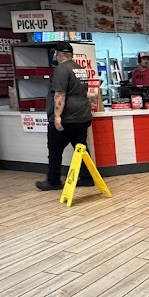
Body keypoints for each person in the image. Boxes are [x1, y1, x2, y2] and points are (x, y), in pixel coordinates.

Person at [36, 42, 93, 191]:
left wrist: (57, 116)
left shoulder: (61, 70)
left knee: (55, 149)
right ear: (71, 55)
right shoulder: (79, 69)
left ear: (57, 54)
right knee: (81, 148)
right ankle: (87, 177)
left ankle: (53, 181)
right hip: (82, 115)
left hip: (67, 117)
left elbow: (60, 94)